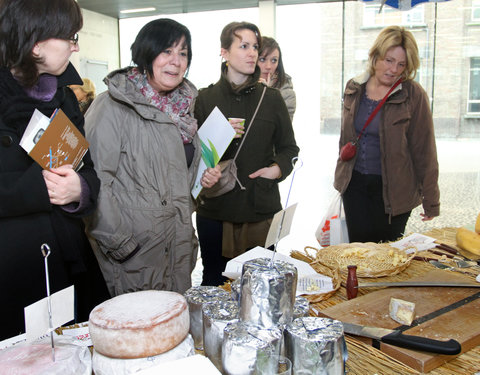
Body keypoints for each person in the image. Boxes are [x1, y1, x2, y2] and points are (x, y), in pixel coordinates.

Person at [84, 19, 220, 297]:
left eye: (183, 53)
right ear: (147, 53)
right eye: (167, 51)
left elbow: (179, 186)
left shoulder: (183, 112)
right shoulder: (111, 106)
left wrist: (207, 179)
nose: (176, 61)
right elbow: (95, 183)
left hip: (177, 253)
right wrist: (122, 246)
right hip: (133, 258)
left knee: (173, 333)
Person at [0, 0, 109, 340]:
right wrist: (40, 189)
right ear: (35, 43)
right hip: (13, 268)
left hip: (67, 257)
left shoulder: (63, 96)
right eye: (69, 36)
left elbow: (86, 167)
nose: (76, 45)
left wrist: (80, 189)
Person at [195, 22, 299, 286]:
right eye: (243, 46)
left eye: (255, 46)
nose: (252, 53)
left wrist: (275, 170)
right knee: (215, 285)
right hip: (216, 210)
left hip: (260, 210)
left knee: (263, 288)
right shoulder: (203, 99)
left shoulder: (272, 99)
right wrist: (207, 166)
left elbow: (290, 148)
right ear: (224, 52)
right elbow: (192, 153)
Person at [334, 26, 440, 243]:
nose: (394, 69)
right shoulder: (354, 87)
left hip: (395, 191)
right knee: (359, 251)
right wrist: (342, 177)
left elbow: (424, 151)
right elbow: (346, 137)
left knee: (387, 254)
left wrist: (431, 200)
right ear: (375, 57)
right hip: (355, 187)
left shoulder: (413, 94)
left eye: (401, 64)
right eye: (389, 60)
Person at [257, 36, 296, 121]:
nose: (268, 66)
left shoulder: (286, 91)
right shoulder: (243, 83)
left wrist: (268, 93)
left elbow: (283, 129)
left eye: (274, 60)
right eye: (262, 59)